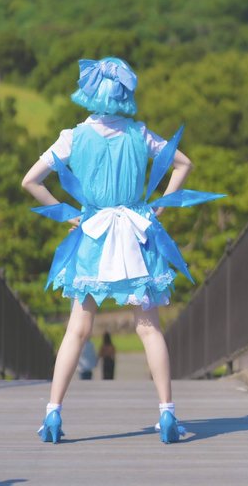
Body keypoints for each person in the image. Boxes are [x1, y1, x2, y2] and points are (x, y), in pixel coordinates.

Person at [22, 56, 224, 444]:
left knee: (78, 330)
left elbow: (31, 180)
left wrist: (68, 215)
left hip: (93, 236)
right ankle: (166, 412)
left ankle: (53, 413)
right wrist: (161, 206)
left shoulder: (73, 137)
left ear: (90, 94)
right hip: (135, 234)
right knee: (148, 328)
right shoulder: (139, 134)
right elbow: (183, 164)